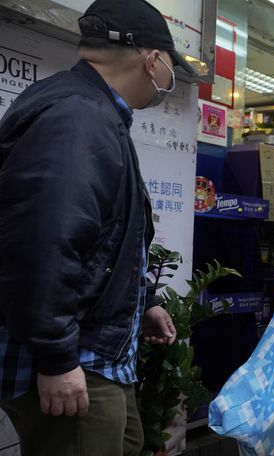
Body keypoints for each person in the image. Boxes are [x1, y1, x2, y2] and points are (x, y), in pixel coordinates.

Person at [0, 0, 193, 454]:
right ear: (152, 60)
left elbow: (102, 240)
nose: (169, 76)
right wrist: (57, 358)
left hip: (96, 354)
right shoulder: (79, 117)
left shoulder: (91, 111)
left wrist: (142, 302)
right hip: (76, 360)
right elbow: (44, 243)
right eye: (169, 64)